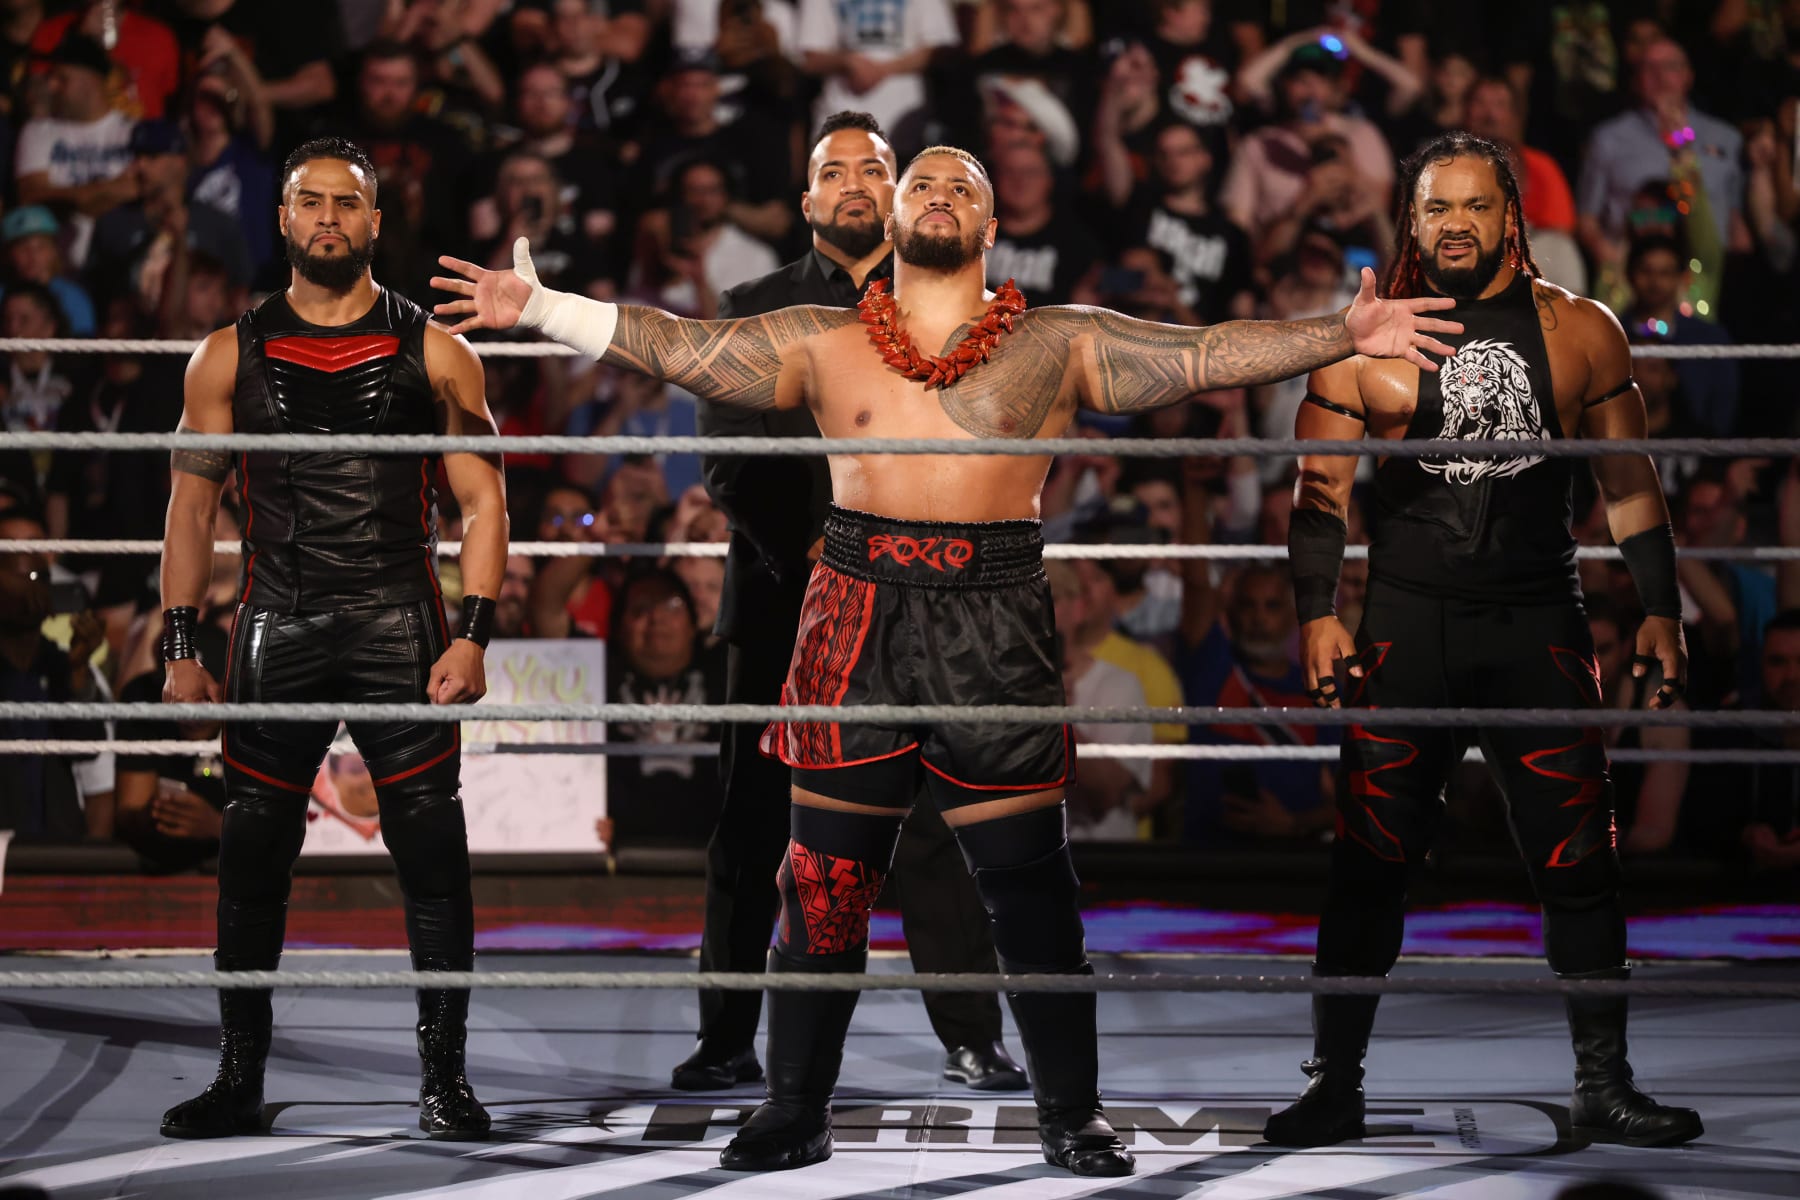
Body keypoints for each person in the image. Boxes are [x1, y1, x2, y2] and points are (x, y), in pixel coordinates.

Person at [433, 134, 1458, 1176]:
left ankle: (1071, 1111)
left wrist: (1341, 331)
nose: (933, 196)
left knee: (1030, 886)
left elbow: (1197, 356)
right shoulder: (822, 341)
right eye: (916, 183)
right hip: (853, 610)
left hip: (995, 613)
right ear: (888, 219)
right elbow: (683, 347)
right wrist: (546, 310)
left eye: (957, 185)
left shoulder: (1055, 342)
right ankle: (794, 1106)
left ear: (991, 222)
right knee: (822, 882)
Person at [1266, 131, 1703, 1151]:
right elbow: (1319, 491)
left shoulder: (1581, 331)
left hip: (1535, 626)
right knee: (1368, 861)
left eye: (1473, 206)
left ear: (1511, 216)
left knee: (1579, 859)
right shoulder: (1370, 340)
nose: (1454, 225)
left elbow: (1629, 485)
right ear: (1410, 220)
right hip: (1404, 630)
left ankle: (1604, 1081)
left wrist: (1660, 609)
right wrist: (1318, 612)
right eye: (1435, 208)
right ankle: (1335, 1083)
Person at [157, 137, 508, 1143]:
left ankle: (444, 1080)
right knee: (250, 855)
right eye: (307, 201)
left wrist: (475, 632)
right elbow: (189, 510)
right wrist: (182, 643)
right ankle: (238, 1078)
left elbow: (485, 502)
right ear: (281, 218)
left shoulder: (436, 347)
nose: (325, 217)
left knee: (433, 853)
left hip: (403, 618)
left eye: (344, 204)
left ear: (374, 221)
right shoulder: (225, 353)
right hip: (279, 619)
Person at [679, 111, 1029, 1098]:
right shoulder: (753, 303)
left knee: (932, 824)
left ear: (899, 189)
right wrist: (833, 555)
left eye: (872, 170)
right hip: (785, 595)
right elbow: (732, 462)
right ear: (804, 200)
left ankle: (971, 1034)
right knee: (753, 827)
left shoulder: (951, 299)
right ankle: (724, 1038)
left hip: (925, 602)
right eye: (831, 171)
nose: (852, 186)